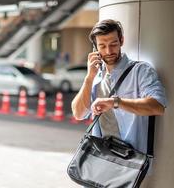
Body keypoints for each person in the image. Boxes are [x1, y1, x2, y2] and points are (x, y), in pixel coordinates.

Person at [71, 19, 166, 187]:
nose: (109, 51)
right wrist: (89, 77)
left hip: (131, 165)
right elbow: (78, 113)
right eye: (102, 46)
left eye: (114, 44)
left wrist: (115, 102)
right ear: (95, 48)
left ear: (121, 40)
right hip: (102, 161)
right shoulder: (95, 78)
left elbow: (157, 106)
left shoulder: (141, 71)